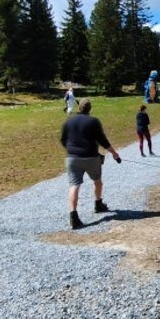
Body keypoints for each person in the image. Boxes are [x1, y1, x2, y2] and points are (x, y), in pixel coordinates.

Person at [60, 98, 121, 230]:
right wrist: (114, 153)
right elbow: (102, 140)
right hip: (91, 157)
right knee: (97, 181)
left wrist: (71, 150)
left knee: (74, 185)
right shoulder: (94, 121)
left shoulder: (68, 121)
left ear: (79, 107)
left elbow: (63, 140)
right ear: (90, 108)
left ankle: (73, 216)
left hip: (72, 158)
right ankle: (98, 204)